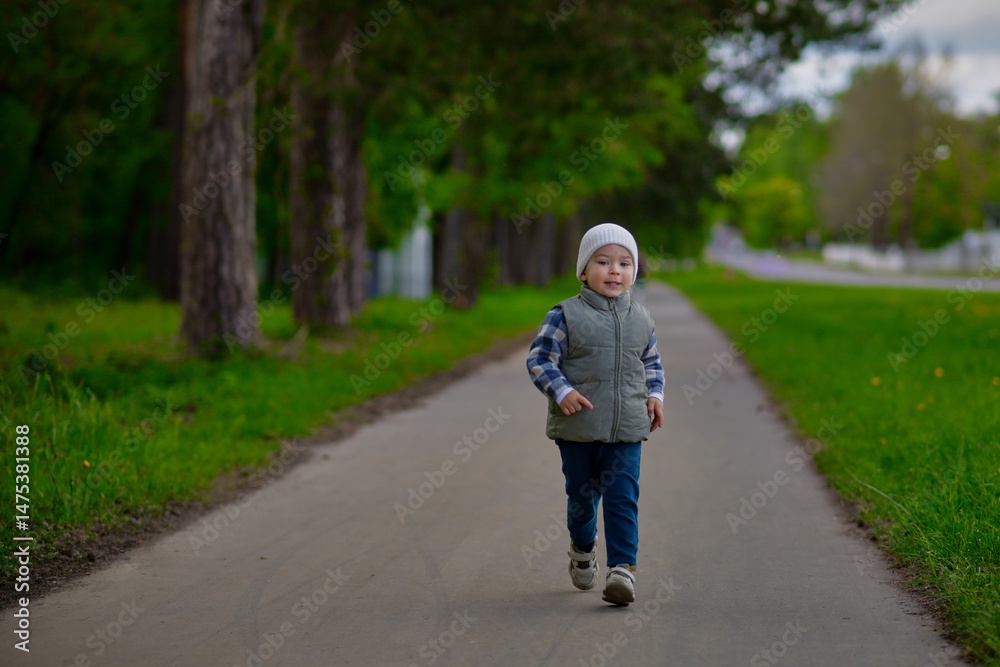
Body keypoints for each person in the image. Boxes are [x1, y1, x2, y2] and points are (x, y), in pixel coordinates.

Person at [526, 222, 664, 606]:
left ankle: (622, 570)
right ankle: (583, 547)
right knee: (582, 499)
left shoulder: (643, 319)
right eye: (603, 262)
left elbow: (651, 363)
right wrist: (562, 390)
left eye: (624, 263)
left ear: (634, 271)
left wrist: (655, 395)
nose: (614, 271)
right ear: (584, 271)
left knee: (623, 496)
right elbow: (540, 360)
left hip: (627, 429)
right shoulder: (565, 315)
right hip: (579, 429)